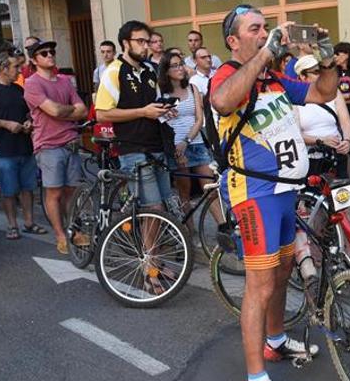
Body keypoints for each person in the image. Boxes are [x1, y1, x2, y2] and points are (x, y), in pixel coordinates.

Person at [209, 4, 337, 381]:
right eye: (256, 29)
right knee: (260, 285)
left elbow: (324, 93)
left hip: (284, 192)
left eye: (266, 27)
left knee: (282, 273)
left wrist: (328, 59)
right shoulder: (229, 74)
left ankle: (276, 341)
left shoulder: (275, 81)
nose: (266, 33)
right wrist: (267, 52)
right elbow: (223, 102)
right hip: (254, 195)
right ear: (234, 40)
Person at [96, 21, 176, 214]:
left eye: (147, 41)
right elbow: (102, 114)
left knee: (165, 205)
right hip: (133, 147)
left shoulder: (150, 70)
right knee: (153, 208)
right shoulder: (114, 71)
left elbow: (154, 103)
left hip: (157, 145)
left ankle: (144, 240)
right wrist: (142, 111)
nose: (146, 46)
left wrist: (165, 110)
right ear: (126, 43)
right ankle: (148, 245)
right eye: (140, 41)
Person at [23, 40, 88, 253]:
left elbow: (83, 110)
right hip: (48, 146)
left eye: (52, 51)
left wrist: (64, 110)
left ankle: (73, 230)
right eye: (44, 53)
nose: (50, 55)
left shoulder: (64, 81)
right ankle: (60, 235)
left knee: (72, 191)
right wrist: (69, 111)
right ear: (34, 60)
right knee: (54, 193)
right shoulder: (32, 84)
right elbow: (55, 111)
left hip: (70, 143)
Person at [0, 53, 46, 239]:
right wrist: (5, 124)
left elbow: (27, 113)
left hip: (24, 145)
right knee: (8, 189)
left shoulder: (18, 89)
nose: (19, 70)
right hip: (3, 147)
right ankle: (12, 225)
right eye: (15, 67)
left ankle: (29, 223)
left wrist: (28, 122)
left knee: (28, 187)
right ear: (3, 68)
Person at [158, 50, 219, 226]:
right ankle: (189, 234)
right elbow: (161, 121)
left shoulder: (192, 88)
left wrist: (187, 141)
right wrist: (179, 146)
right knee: (184, 193)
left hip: (195, 142)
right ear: (166, 70)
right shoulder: (161, 93)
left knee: (210, 188)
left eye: (181, 64)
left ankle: (223, 227)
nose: (180, 68)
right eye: (174, 66)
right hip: (176, 147)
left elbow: (199, 119)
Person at [294, 55, 350, 175]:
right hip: (312, 158)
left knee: (344, 191)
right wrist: (321, 140)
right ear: (302, 76)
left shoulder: (334, 93)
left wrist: (347, 140)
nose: (322, 75)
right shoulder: (295, 99)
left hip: (336, 155)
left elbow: (346, 123)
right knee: (314, 193)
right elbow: (296, 135)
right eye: (316, 72)